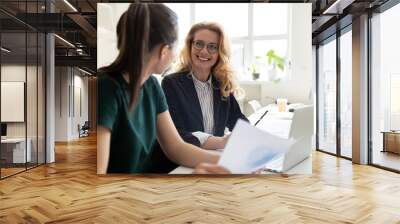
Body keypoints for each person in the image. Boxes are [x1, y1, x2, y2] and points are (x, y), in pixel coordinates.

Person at [97, 3, 229, 174]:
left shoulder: (152, 86)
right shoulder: (105, 88)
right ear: (164, 51)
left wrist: (230, 162)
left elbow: (176, 148)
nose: (175, 56)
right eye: (175, 47)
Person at [161, 22, 248, 150]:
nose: (204, 51)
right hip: (185, 161)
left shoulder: (222, 84)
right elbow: (176, 134)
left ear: (219, 52)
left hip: (214, 156)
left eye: (212, 47)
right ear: (190, 46)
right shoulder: (171, 83)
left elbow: (237, 119)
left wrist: (250, 135)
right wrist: (222, 142)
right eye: (199, 44)